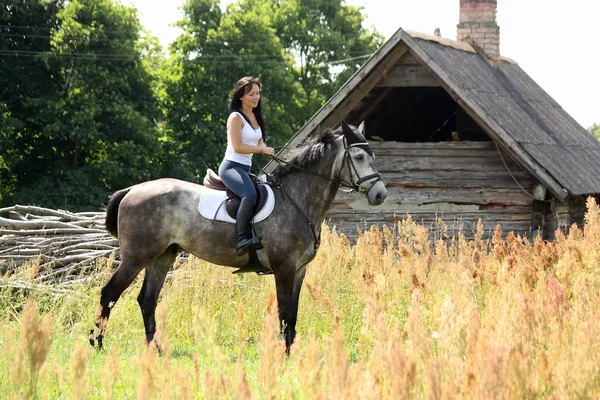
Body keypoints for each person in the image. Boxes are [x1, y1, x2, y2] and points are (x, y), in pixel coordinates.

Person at [218, 77, 275, 255]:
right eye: (252, 94)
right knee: (249, 194)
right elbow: (238, 147)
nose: (256, 97)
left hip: (245, 169)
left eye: (258, 93)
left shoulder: (256, 118)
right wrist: (261, 149)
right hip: (231, 167)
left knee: (261, 192)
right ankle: (242, 239)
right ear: (241, 96)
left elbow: (261, 145)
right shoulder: (235, 118)